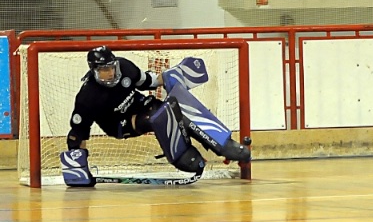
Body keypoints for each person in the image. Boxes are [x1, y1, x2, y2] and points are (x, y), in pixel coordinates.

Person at [60, 46, 250, 187]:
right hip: (119, 124)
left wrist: (170, 76)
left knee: (175, 105)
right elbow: (77, 134)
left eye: (111, 68)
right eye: (104, 70)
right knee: (158, 115)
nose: (110, 73)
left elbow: (148, 81)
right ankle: (183, 157)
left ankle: (224, 144)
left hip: (141, 104)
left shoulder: (125, 67)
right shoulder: (87, 97)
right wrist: (78, 168)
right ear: (94, 70)